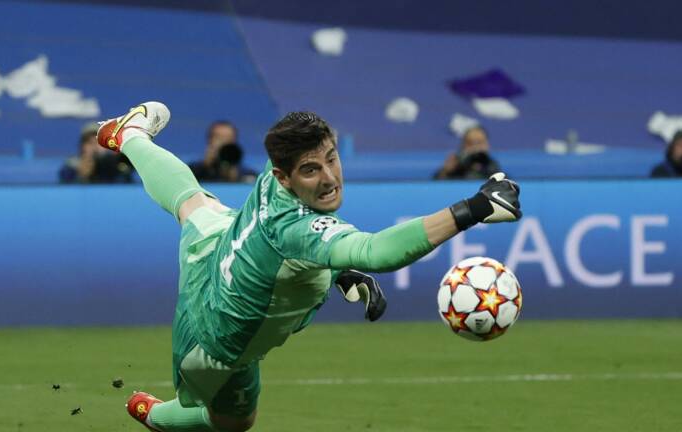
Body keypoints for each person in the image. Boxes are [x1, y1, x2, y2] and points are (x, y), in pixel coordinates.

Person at [96, 102, 522, 432]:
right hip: (212, 341)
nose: (329, 178)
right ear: (284, 177)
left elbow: (310, 252)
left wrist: (337, 272)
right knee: (233, 422)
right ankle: (154, 416)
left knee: (193, 203)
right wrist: (475, 208)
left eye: (331, 159)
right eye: (311, 170)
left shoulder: (275, 171)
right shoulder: (297, 228)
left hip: (215, 249)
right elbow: (376, 251)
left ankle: (128, 133)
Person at [59, 122, 134, 184]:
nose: (94, 146)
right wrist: (81, 175)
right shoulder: (73, 165)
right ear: (82, 146)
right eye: (90, 143)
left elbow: (128, 181)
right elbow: (64, 180)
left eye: (99, 142)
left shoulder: (116, 163)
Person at [189, 121, 256, 183]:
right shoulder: (191, 172)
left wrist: (236, 177)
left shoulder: (248, 175)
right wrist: (205, 168)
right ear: (209, 141)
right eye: (219, 138)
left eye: (229, 138)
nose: (224, 142)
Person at [434, 126, 502, 180]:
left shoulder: (493, 167)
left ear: (487, 145)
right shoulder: (455, 167)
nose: (476, 148)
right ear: (462, 146)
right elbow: (435, 187)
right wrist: (445, 172)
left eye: (480, 142)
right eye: (470, 143)